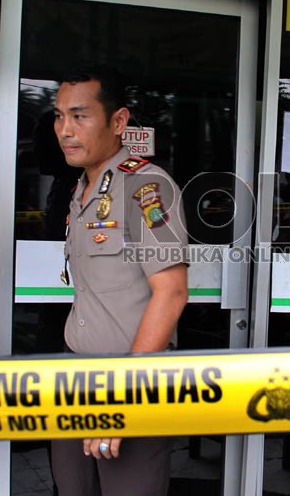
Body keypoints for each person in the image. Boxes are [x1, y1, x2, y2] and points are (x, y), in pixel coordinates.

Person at [49, 65, 189, 496]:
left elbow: (172, 291)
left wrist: (120, 399)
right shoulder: (82, 190)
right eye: (58, 116)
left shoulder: (144, 186)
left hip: (130, 380)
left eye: (80, 116)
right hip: (76, 377)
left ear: (119, 121)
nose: (65, 130)